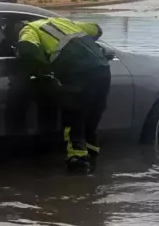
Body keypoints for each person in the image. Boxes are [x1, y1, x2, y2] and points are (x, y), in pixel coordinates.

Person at [16, 17, 110, 174]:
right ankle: (93, 166)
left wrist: (44, 74)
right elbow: (95, 28)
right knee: (92, 118)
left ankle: (78, 168)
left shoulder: (29, 29)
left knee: (74, 118)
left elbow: (28, 50)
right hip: (102, 70)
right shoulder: (62, 21)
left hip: (76, 73)